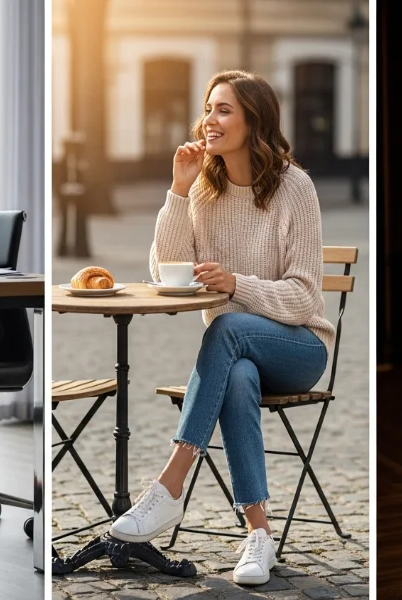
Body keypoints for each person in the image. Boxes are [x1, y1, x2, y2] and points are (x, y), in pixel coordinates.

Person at [106, 70, 335, 587]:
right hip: (237, 356)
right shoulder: (205, 190)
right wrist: (178, 191)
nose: (210, 120)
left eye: (224, 110)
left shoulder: (294, 188)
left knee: (228, 325)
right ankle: (259, 536)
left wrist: (236, 283)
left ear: (255, 120)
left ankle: (168, 487)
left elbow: (304, 299)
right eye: (208, 108)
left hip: (299, 349)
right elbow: (166, 270)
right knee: (235, 377)